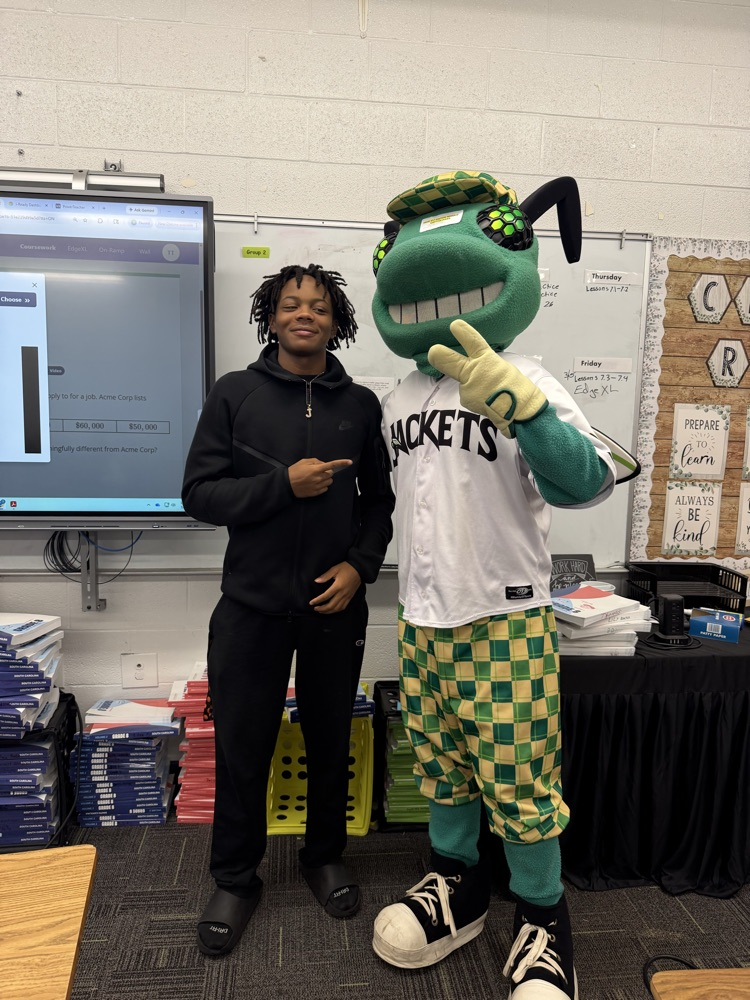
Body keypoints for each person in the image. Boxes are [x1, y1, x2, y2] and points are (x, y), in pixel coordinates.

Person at [370, 171, 628, 999]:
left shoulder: (536, 379)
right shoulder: (398, 396)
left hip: (504, 621)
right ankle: (458, 889)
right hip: (422, 618)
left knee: (520, 783)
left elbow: (584, 484)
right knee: (442, 770)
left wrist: (529, 414)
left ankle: (545, 923)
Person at [182, 262, 394, 958]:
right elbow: (201, 495)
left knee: (332, 738)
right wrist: (284, 485)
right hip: (251, 607)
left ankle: (322, 856)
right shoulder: (235, 394)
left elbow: (379, 505)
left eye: (320, 306)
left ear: (338, 323)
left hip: (335, 606)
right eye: (291, 304)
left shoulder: (361, 405)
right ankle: (235, 878)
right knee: (245, 745)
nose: (306, 314)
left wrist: (359, 567)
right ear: (270, 318)